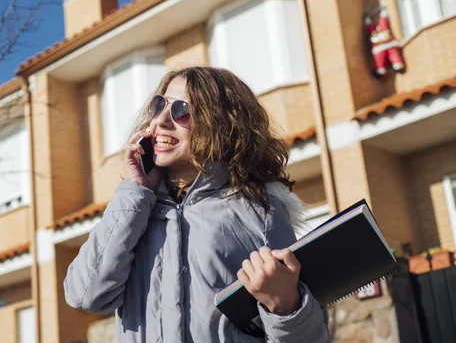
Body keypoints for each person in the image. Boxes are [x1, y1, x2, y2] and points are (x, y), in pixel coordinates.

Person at [64, 67, 330, 342]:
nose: (163, 120)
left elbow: (313, 337)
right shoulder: (134, 210)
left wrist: (286, 306)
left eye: (182, 111)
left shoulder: (260, 211)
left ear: (222, 123)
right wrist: (135, 193)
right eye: (159, 105)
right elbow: (85, 295)